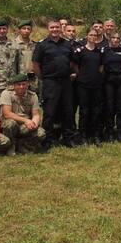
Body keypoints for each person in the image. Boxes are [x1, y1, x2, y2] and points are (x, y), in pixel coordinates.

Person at [32, 19, 77, 149]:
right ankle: (47, 139)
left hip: (66, 82)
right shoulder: (42, 45)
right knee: (50, 112)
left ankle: (68, 137)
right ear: (48, 29)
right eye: (52, 28)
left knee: (68, 110)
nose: (55, 30)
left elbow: (72, 62)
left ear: (60, 29)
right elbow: (35, 65)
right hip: (50, 82)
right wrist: (44, 78)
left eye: (57, 27)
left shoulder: (67, 44)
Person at [73, 28, 106, 145]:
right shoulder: (80, 51)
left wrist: (96, 76)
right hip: (83, 85)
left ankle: (95, 135)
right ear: (87, 36)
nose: (93, 37)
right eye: (91, 35)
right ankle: (83, 135)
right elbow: (75, 65)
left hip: (96, 85)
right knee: (84, 111)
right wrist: (81, 75)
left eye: (95, 35)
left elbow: (101, 67)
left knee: (96, 110)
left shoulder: (100, 52)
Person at [0, 73, 46, 153]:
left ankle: (23, 145)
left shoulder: (33, 96)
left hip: (25, 126)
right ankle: (10, 146)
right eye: (19, 84)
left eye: (24, 84)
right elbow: (7, 114)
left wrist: (34, 123)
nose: (21, 87)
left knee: (41, 133)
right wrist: (26, 120)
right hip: (11, 123)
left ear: (27, 84)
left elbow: (36, 114)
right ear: (14, 85)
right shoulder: (6, 94)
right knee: (10, 124)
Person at [102, 33, 121, 142]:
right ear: (110, 39)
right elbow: (101, 66)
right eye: (113, 37)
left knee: (120, 107)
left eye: (118, 38)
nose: (116, 39)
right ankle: (110, 131)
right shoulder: (104, 50)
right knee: (110, 107)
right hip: (109, 81)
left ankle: (120, 132)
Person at [13, 19, 38, 96]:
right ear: (19, 30)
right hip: (19, 77)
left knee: (32, 99)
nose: (26, 31)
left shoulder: (34, 44)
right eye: (24, 29)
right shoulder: (13, 44)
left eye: (28, 29)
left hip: (32, 77)